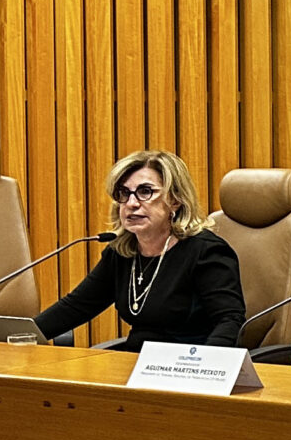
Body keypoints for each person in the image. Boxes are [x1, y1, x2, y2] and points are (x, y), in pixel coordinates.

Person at [35, 150, 247, 351]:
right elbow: (77, 307)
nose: (132, 203)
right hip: (137, 366)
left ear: (175, 200)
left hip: (189, 367)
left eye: (145, 192)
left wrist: (205, 368)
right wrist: (21, 335)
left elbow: (229, 321)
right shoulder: (122, 252)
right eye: (124, 194)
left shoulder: (205, 252)